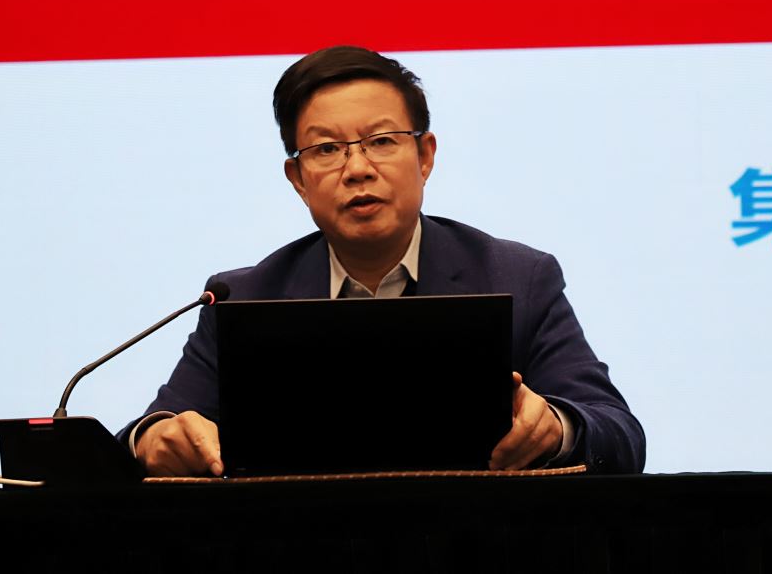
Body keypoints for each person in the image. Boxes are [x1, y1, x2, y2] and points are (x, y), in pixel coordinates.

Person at [129, 46, 645, 475]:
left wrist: (557, 428)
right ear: (298, 179)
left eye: (380, 141)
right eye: (327, 149)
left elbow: (620, 435)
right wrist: (154, 440)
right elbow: (146, 434)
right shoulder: (243, 297)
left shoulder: (517, 277)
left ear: (425, 156)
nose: (357, 168)